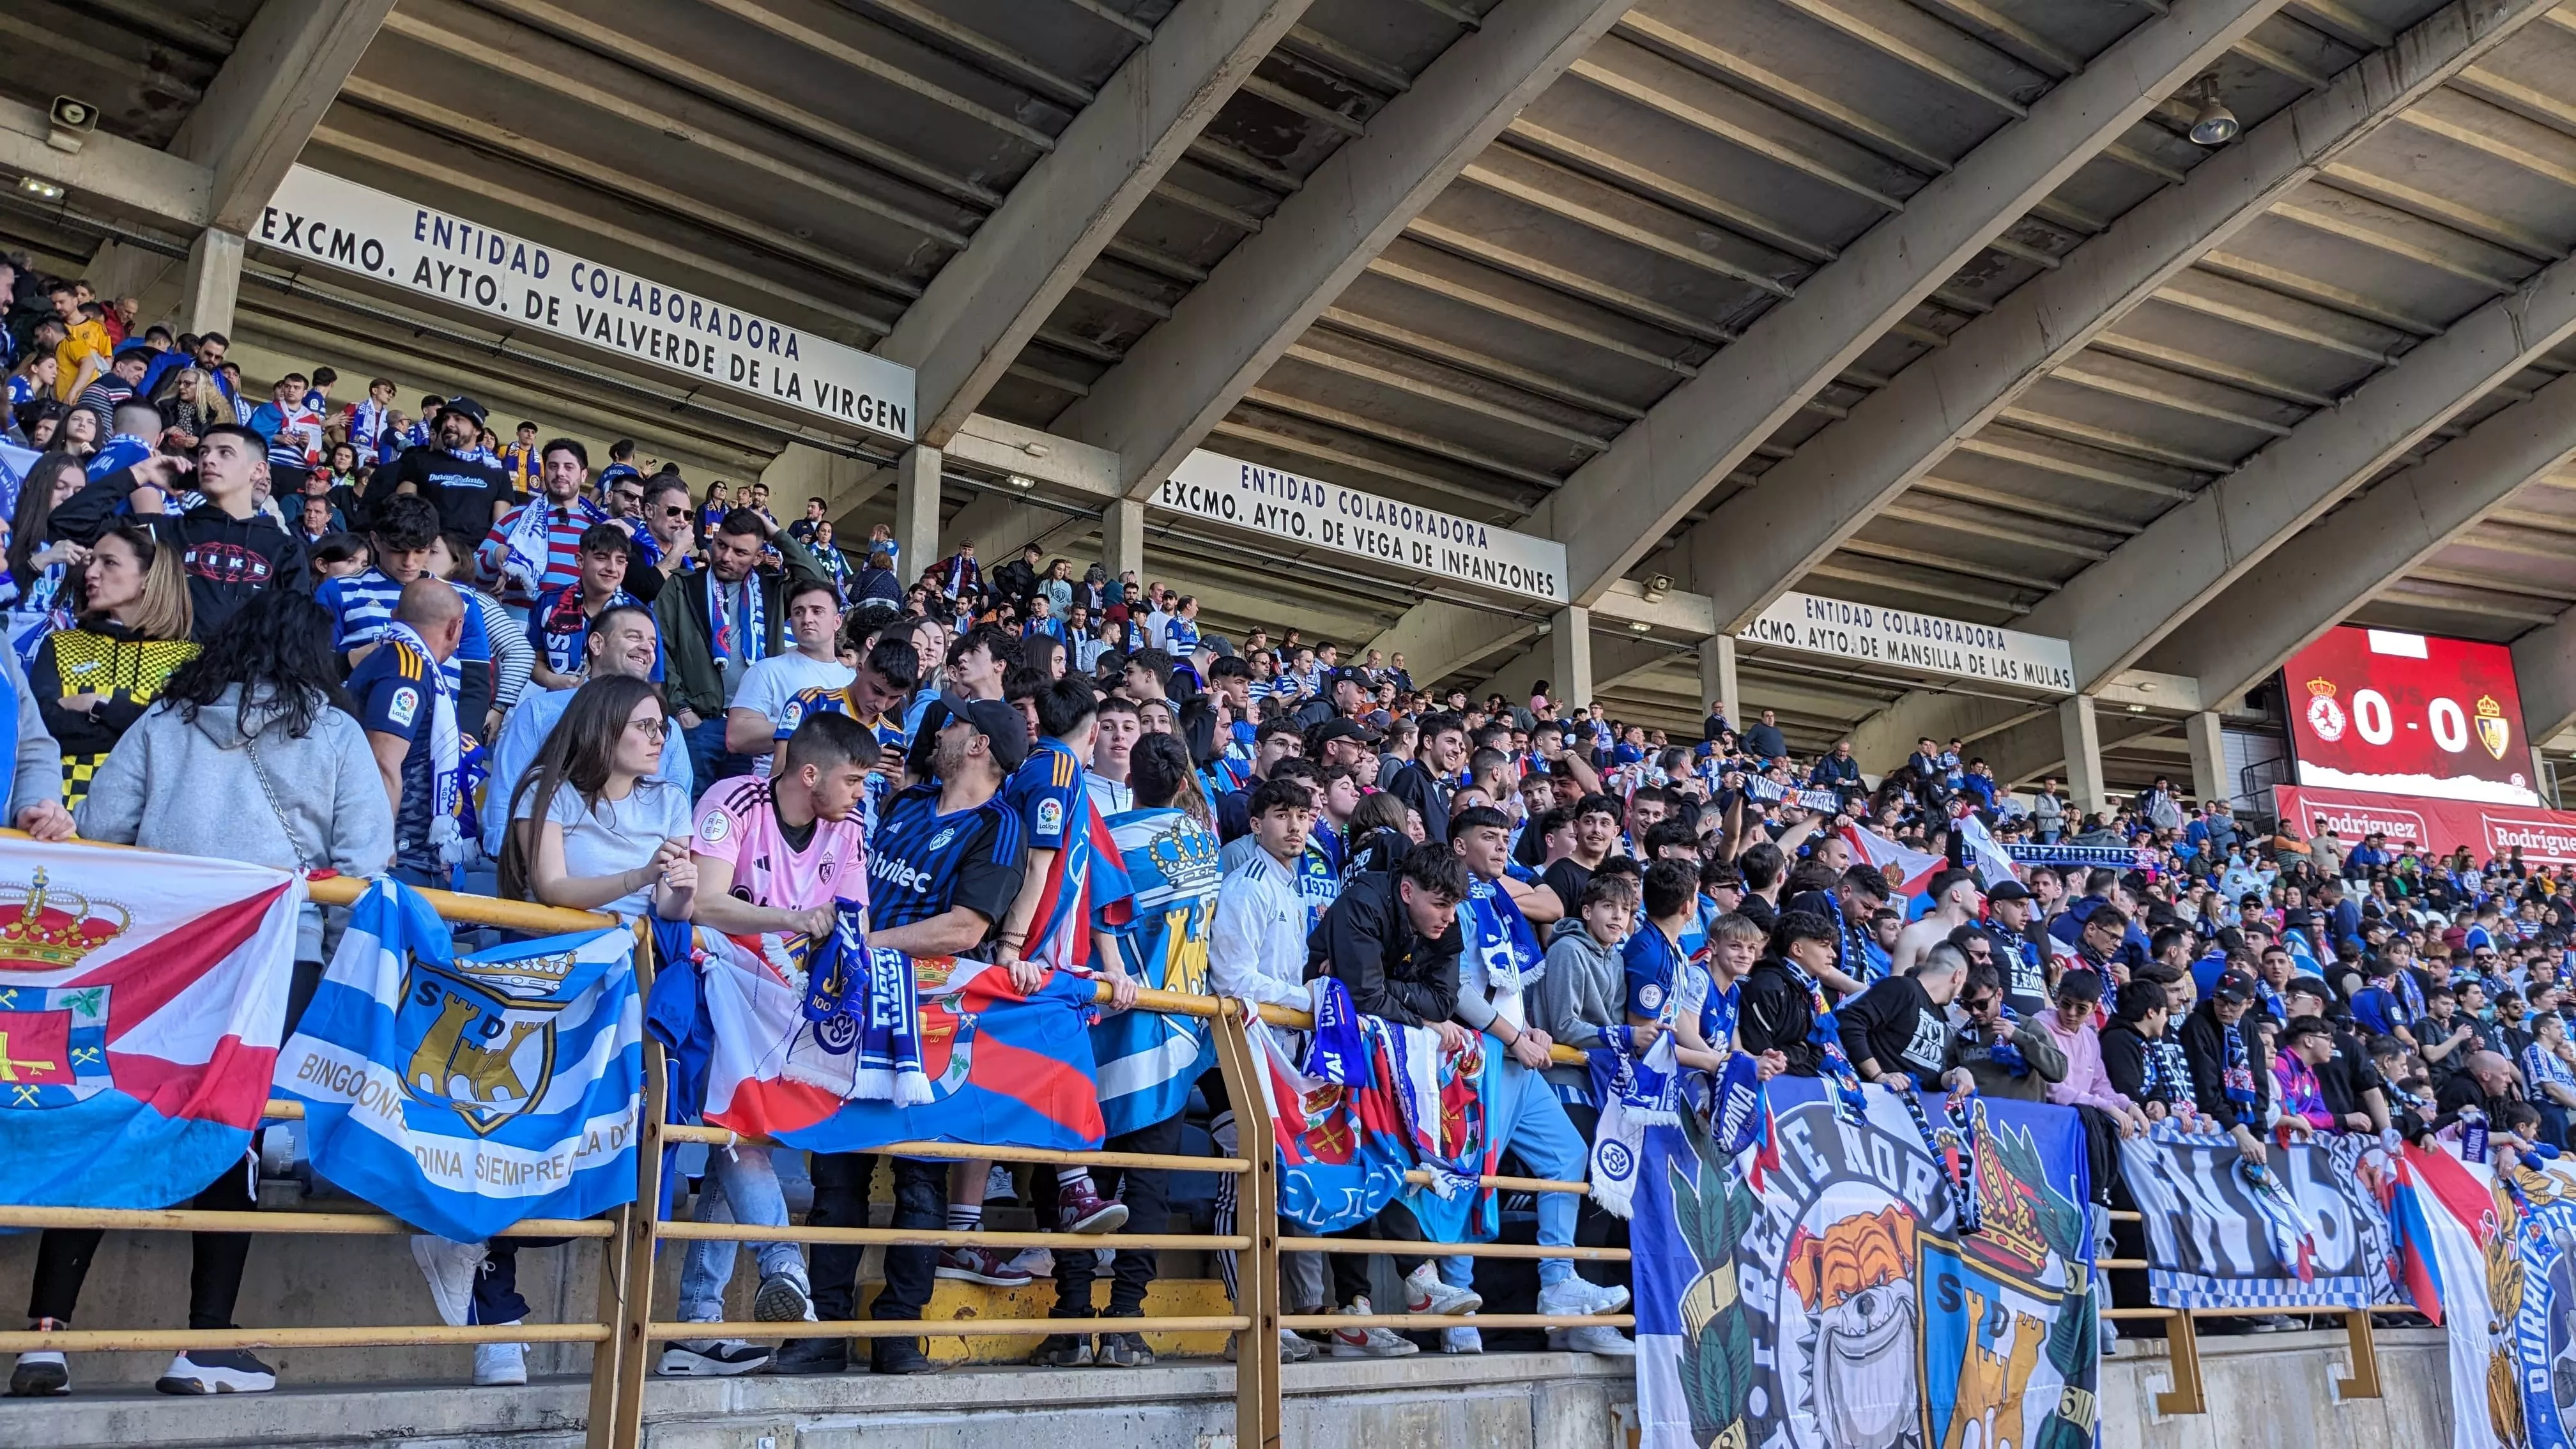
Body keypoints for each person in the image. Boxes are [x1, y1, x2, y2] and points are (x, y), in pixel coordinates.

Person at [19, 592, 386, 1399]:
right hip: (272, 964)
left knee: (113, 1120)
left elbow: (106, 828)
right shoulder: (332, 733)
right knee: (232, 1133)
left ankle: (42, 1338)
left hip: (161, 961)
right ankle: (203, 1345)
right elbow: (366, 863)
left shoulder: (166, 718)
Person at [778, 698, 1029, 1378]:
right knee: (837, 1171)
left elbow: (965, 930)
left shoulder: (1001, 826)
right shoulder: (909, 807)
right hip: (858, 1005)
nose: (938, 733)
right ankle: (822, 1329)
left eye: (951, 726)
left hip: (931, 1019)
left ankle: (900, 1331)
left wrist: (862, 943)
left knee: (920, 1177)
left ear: (977, 745)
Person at [676, 714, 885, 1376]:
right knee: (738, 1129)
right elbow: (703, 904)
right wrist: (789, 920)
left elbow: (854, 923)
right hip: (715, 990)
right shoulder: (731, 801)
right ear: (809, 773)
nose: (860, 795)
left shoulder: (848, 827)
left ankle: (695, 1328)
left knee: (736, 1137)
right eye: (853, 780)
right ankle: (781, 1264)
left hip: (783, 1005)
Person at [1030, 733, 1202, 1370]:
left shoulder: (1104, 836)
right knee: (1149, 1189)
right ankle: (1127, 1323)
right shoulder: (1205, 846)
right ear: (1184, 784)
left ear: (1129, 779)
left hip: (1094, 1034)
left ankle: (1072, 1319)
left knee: (1074, 1184)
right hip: (1173, 1036)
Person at [1441, 807, 1630, 1355]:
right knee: (1470, 1174)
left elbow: (1508, 982)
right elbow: (1454, 987)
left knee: (1568, 1157)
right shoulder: (1454, 901)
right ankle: (1456, 1300)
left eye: (1506, 838)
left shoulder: (1502, 898)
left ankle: (1558, 1288)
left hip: (1516, 1056)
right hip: (1477, 1058)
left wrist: (1533, 1031)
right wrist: (1512, 1034)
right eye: (1488, 838)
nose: (1502, 847)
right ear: (1459, 846)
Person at [1310, 844, 1480, 1356]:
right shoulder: (1363, 902)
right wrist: (1421, 1014)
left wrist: (1398, 997)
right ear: (1407, 891)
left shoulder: (1445, 922)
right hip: (1325, 1049)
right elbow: (1361, 996)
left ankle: (1359, 1312)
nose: (1447, 919)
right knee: (1359, 1164)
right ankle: (1380, 1298)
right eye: (1439, 905)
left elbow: (1444, 1000)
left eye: (1453, 908)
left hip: (1386, 1056)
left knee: (1380, 1159)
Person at [1209, 773, 1329, 1362]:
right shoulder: (1247, 884)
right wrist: (1308, 997)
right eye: (1283, 815)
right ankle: (1245, 1325)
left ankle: (1275, 1317)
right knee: (1243, 1189)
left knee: (1280, 1187)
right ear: (1257, 825)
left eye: (1304, 816)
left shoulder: (1292, 886)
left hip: (1281, 1055)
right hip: (1243, 1052)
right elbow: (1231, 980)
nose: (1296, 826)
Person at [54, 424, 307, 640]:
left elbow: (297, 631)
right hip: (158, 679)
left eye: (225, 453)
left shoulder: (284, 548)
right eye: (204, 452)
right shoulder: (163, 530)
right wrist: (141, 473)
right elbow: (68, 523)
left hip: (242, 687)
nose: (208, 459)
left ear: (258, 471)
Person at [28, 521, 197, 804]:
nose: (91, 573)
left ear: (149, 577)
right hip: (55, 813)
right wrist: (131, 725)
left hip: (139, 821)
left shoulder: (189, 659)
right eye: (92, 561)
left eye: (109, 563)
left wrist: (97, 704)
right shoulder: (59, 644)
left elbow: (174, 742)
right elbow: (39, 730)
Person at [656, 507, 828, 783]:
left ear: (759, 556)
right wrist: (682, 709)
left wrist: (775, 532)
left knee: (742, 816)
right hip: (699, 723)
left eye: (740, 552)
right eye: (721, 545)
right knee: (688, 812)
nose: (725, 557)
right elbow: (659, 647)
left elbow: (817, 582)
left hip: (755, 730)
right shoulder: (682, 586)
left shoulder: (773, 591)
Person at [348, 578, 469, 887]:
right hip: (397, 861)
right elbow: (382, 762)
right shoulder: (406, 669)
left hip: (411, 857)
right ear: (455, 628)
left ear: (394, 616)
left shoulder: (400, 660)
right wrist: (381, 851)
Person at [724, 579, 850, 777]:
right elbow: (737, 736)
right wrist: (811, 731)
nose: (807, 619)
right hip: (779, 786)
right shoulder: (767, 670)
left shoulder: (852, 680)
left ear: (837, 622)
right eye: (799, 612)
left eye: (817, 611)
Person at [368, 396, 514, 551]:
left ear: (477, 430)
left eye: (458, 419)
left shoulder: (498, 474)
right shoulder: (420, 462)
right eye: (446, 419)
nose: (449, 424)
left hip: (475, 559)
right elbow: (402, 512)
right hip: (425, 552)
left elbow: (500, 531)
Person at [479, 438, 606, 612]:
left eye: (569, 467)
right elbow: (474, 572)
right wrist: (496, 553)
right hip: (518, 628)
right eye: (553, 466)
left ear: (584, 475)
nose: (560, 473)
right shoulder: (516, 517)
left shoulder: (600, 526)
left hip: (576, 630)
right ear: (544, 471)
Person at [1836, 944, 1975, 1094]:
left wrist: (1956, 1073)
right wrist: (1878, 1075)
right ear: (1957, 976)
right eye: (1964, 984)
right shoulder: (1902, 988)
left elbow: (1931, 1076)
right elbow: (1850, 1021)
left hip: (1908, 1108)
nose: (1961, 992)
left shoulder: (1939, 1015)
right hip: (1875, 1098)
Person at [527, 524, 647, 689]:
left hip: (617, 710)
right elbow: (534, 659)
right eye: (601, 558)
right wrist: (551, 680)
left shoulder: (639, 615)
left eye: (620, 561)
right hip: (557, 706)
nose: (612, 568)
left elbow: (652, 679)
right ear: (580, 561)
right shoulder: (549, 603)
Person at [1946, 960, 2066, 1101]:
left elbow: (2059, 1071)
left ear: (1999, 995)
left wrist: (2019, 1037)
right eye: (1967, 1005)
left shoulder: (2026, 1026)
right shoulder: (1963, 1038)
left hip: (2024, 1120)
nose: (1975, 1011)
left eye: (1982, 1004)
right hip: (1981, 1119)